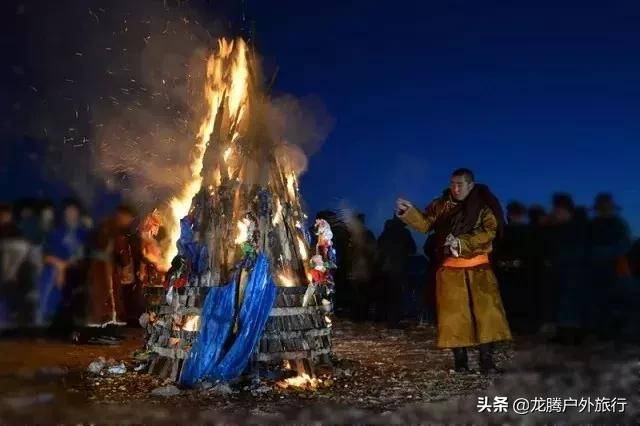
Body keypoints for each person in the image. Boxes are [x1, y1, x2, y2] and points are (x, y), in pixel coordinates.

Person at [396, 168, 511, 374]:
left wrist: (462, 242)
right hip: (450, 270)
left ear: (470, 185)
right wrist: (409, 212)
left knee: (486, 316)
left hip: (479, 269)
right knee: (455, 318)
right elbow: (425, 224)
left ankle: (487, 361)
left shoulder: (484, 207)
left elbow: (489, 232)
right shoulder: (441, 205)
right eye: (452, 184)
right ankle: (461, 363)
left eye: (460, 184)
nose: (455, 188)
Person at [544, 193, 588, 344]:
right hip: (562, 269)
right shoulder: (559, 227)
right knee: (562, 301)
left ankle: (573, 334)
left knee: (571, 301)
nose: (556, 213)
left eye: (559, 210)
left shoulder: (577, 227)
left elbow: (577, 249)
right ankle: (564, 332)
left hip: (574, 270)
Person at [37, 199, 88, 328]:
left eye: (74, 211)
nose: (71, 214)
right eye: (68, 211)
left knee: (69, 277)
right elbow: (45, 255)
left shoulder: (83, 233)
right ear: (64, 213)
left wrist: (65, 267)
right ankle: (44, 316)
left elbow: (84, 256)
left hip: (76, 269)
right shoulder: (56, 232)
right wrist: (60, 266)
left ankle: (61, 318)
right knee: (50, 275)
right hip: (56, 266)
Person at [587, 193, 633, 338]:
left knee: (618, 301)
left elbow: (625, 244)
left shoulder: (619, 224)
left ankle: (616, 332)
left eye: (607, 206)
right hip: (597, 269)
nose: (605, 209)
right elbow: (587, 245)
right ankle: (602, 331)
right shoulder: (592, 225)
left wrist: (606, 254)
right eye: (602, 207)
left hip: (617, 268)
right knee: (599, 301)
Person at [85, 204, 136, 330]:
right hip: (103, 267)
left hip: (105, 266)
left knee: (107, 294)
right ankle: (100, 327)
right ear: (122, 216)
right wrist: (126, 266)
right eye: (129, 218)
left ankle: (105, 325)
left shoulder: (112, 227)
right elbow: (119, 249)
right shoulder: (112, 228)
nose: (130, 222)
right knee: (105, 295)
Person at [492, 201, 534, 333]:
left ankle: (519, 326)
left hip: (521, 271)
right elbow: (496, 250)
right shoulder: (503, 232)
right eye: (512, 213)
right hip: (506, 271)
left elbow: (530, 252)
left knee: (519, 299)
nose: (513, 216)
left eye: (516, 213)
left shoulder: (526, 232)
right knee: (508, 299)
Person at [377, 215, 416, 327]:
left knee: (386, 293)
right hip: (399, 268)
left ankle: (383, 318)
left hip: (384, 268)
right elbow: (412, 249)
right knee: (396, 295)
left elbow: (378, 248)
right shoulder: (404, 233)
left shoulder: (385, 233)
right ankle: (393, 320)